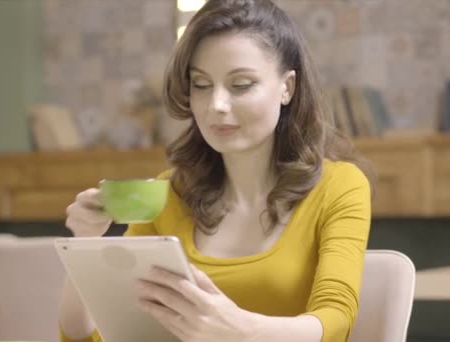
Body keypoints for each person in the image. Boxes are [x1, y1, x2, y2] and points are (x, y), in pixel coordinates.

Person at [60, 0, 373, 341]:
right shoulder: (169, 193)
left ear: (287, 87)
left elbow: (336, 320)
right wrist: (86, 242)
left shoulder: (339, 186)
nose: (216, 106)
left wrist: (240, 330)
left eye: (241, 85)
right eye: (202, 85)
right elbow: (87, 336)